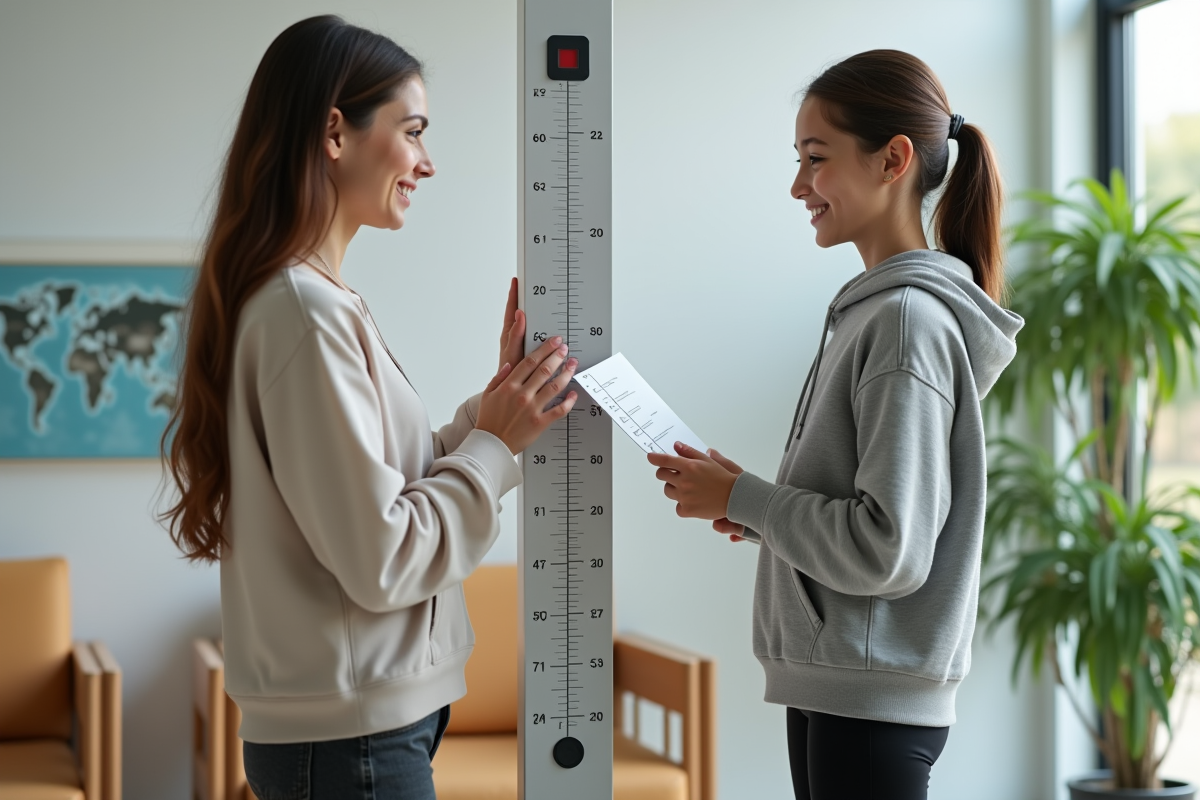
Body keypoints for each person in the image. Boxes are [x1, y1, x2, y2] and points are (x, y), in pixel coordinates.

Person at [160, 16, 577, 800]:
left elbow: (382, 486)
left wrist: (490, 419)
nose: (426, 161)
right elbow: (382, 557)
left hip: (356, 732)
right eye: (411, 130)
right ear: (333, 131)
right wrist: (491, 445)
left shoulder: (312, 302)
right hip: (350, 740)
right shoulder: (303, 312)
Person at [648, 50, 1023, 800]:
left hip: (869, 703)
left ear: (893, 160)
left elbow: (890, 551)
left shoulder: (905, 323)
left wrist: (748, 499)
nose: (798, 186)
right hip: (841, 689)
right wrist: (751, 512)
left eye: (815, 160)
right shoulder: (875, 314)